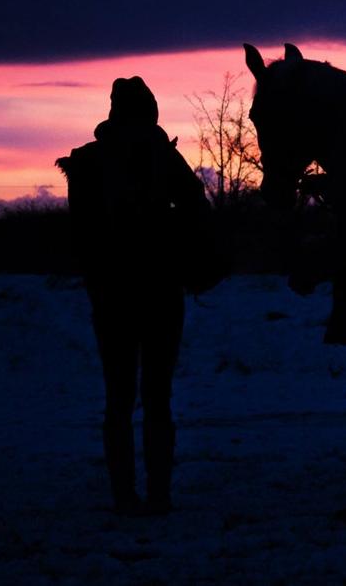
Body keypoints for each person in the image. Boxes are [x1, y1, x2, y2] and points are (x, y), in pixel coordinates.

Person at [56, 77, 211, 516]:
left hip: (111, 295)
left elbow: (80, 235)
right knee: (158, 396)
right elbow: (197, 206)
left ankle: (125, 495)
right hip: (161, 290)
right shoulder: (164, 155)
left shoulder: (88, 161)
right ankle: (159, 495)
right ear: (151, 111)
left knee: (118, 398)